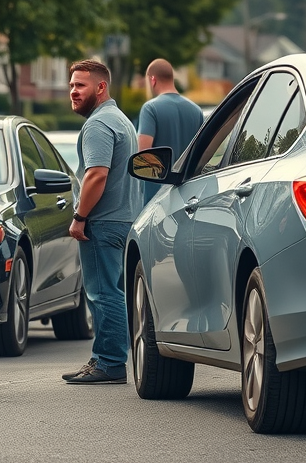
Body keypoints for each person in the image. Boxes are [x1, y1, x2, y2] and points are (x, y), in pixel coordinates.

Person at [62, 59, 141, 385]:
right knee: (113, 293)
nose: (73, 92)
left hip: (104, 222)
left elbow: (97, 174)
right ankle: (103, 357)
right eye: (71, 85)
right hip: (124, 220)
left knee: (102, 293)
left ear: (100, 86)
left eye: (80, 85)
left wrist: (80, 217)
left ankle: (109, 363)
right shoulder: (121, 121)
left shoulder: (98, 125)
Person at [137, 58, 204, 203]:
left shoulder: (150, 109)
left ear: (152, 80)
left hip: (156, 197)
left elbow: (143, 154)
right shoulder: (196, 111)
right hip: (188, 195)